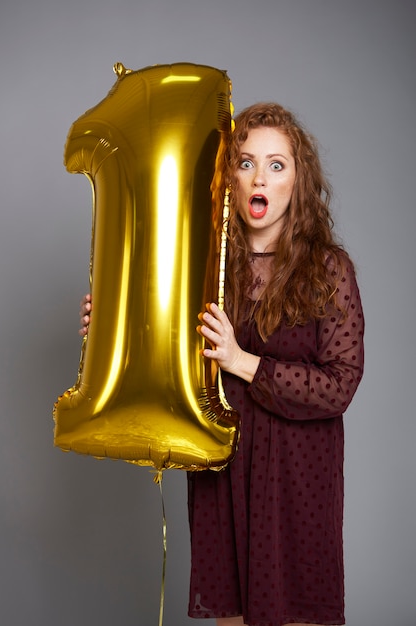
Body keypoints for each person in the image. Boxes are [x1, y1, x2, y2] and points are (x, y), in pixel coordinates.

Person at [80, 102, 364, 626]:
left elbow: (339, 386)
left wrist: (244, 362)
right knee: (231, 617)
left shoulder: (329, 269)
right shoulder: (202, 265)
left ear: (298, 180)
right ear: (228, 176)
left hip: (299, 478)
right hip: (224, 470)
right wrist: (113, 327)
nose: (260, 176)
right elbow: (168, 358)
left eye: (277, 164)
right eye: (246, 162)